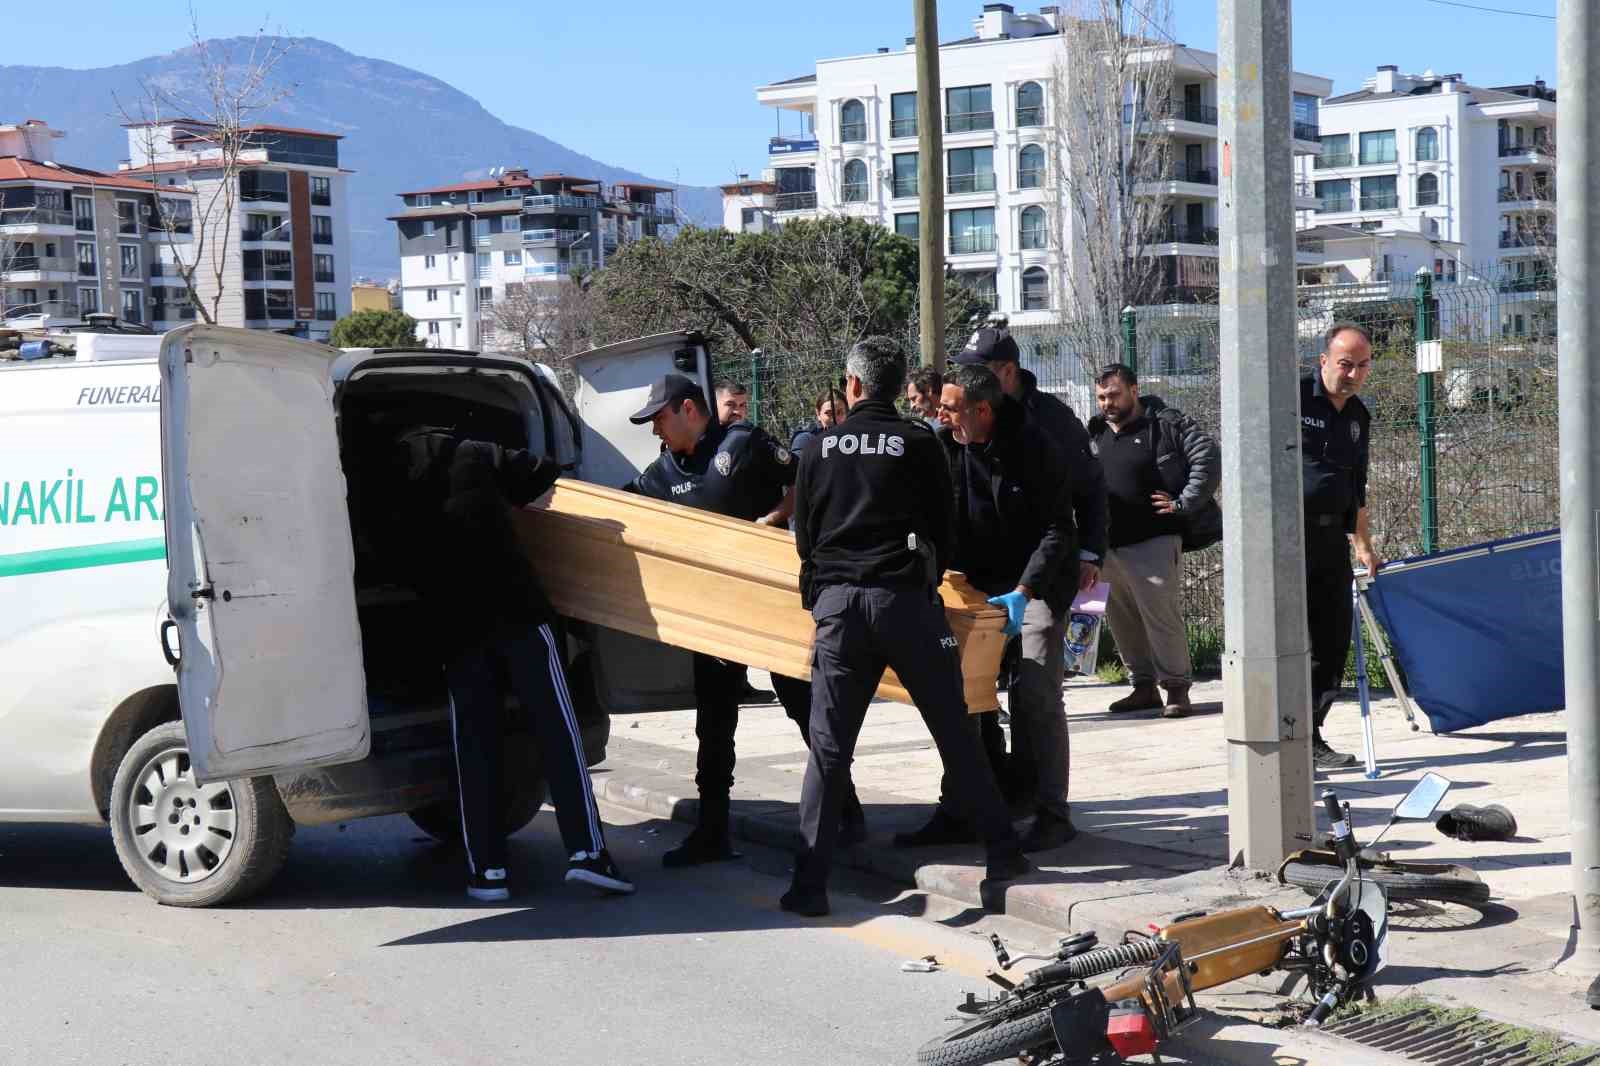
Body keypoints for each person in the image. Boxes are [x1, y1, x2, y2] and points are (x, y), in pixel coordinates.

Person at [785, 337, 1031, 916]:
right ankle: (1003, 853)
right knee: (955, 731)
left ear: (851, 385)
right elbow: (944, 528)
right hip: (904, 604)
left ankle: (809, 884)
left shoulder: (817, 449)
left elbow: (806, 537)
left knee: (828, 749)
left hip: (840, 609)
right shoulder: (920, 442)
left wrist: (823, 596)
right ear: (898, 387)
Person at [382, 427, 633, 901]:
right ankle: (587, 854)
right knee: (558, 733)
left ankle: (487, 872)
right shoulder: (477, 450)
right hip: (518, 610)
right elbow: (543, 476)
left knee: (473, 746)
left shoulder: (390, 480)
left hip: (456, 624)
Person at [624, 374, 866, 865]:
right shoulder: (661, 472)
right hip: (714, 615)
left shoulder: (745, 442)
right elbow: (623, 505)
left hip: (772, 604)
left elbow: (805, 480)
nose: (655, 432)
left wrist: (775, 520)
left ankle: (847, 813)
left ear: (688, 409)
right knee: (713, 724)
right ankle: (712, 832)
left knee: (805, 707)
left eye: (659, 420)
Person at [900, 363, 1081, 853]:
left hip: (1034, 585)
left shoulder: (1036, 446)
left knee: (1036, 692)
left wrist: (1024, 592)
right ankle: (962, 807)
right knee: (960, 695)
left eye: (951, 409)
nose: (941, 415)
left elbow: (1058, 529)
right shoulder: (941, 446)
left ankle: (1051, 813)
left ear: (983, 409)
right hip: (971, 583)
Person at [1087, 364, 1220, 718]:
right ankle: (1142, 687)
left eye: (1114, 394)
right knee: (1121, 619)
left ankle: (1177, 688)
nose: (1107, 403)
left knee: (1161, 616)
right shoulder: (1096, 431)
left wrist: (1184, 503)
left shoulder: (1166, 424)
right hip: (1108, 545)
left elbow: (1207, 456)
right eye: (1101, 396)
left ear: (1134, 389)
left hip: (1154, 540)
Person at [1301, 323, 1381, 770]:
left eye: (1361, 366)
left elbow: (1358, 486)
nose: (1351, 373)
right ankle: (1288, 734)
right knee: (1290, 640)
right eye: (1344, 363)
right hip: (1288, 540)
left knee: (1331, 642)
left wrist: (1363, 543)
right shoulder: (1292, 398)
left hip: (1332, 539)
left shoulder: (1357, 417)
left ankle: (1310, 732)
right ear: (1324, 361)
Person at [788, 388, 848, 456]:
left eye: (840, 412)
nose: (835, 419)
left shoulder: (855, 435)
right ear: (818, 414)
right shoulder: (806, 439)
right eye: (828, 413)